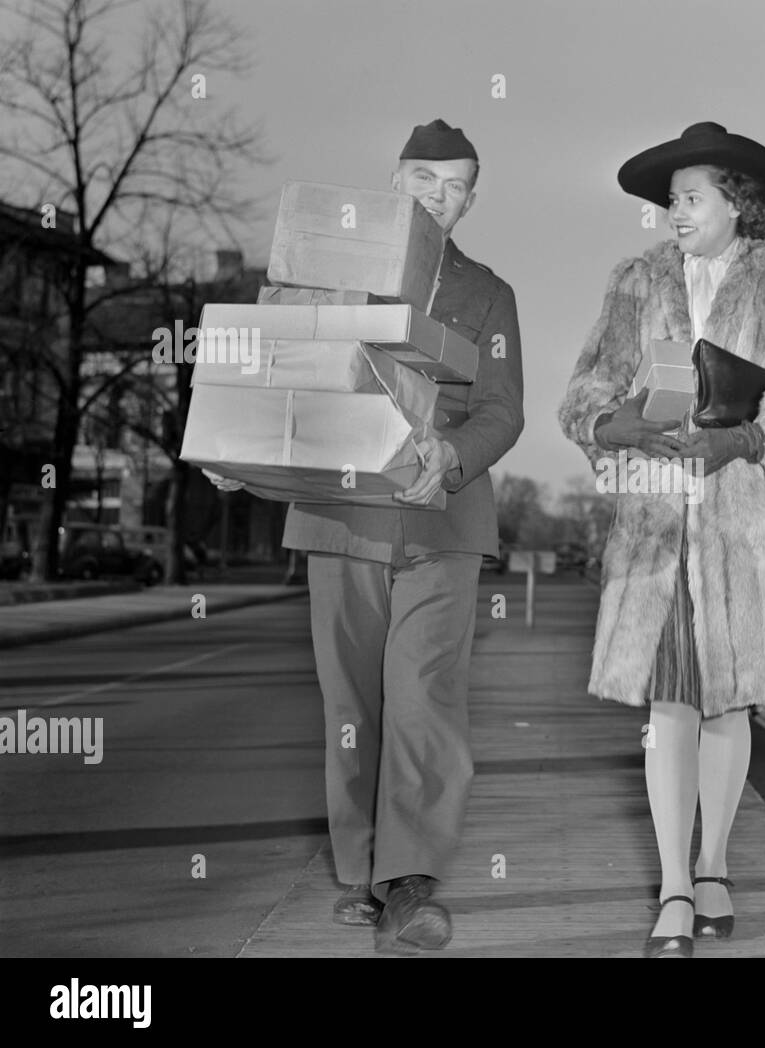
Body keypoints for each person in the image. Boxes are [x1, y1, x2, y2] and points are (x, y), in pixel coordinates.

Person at [204, 118, 524, 953]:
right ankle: (361, 871)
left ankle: (410, 881)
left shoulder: (489, 293)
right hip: (336, 515)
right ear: (395, 178)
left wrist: (452, 455)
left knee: (422, 695)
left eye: (456, 186)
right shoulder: (321, 271)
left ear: (470, 200)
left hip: (441, 522)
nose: (440, 197)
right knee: (353, 703)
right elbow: (272, 366)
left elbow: (503, 409)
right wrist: (237, 448)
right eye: (426, 178)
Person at [558, 121, 765, 957]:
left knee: (729, 700)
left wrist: (750, 436)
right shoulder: (635, 281)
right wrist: (615, 424)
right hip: (656, 528)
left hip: (746, 525)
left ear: (737, 202)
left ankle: (718, 863)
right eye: (669, 202)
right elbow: (585, 387)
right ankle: (675, 888)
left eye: (690, 199)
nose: (674, 215)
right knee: (668, 708)